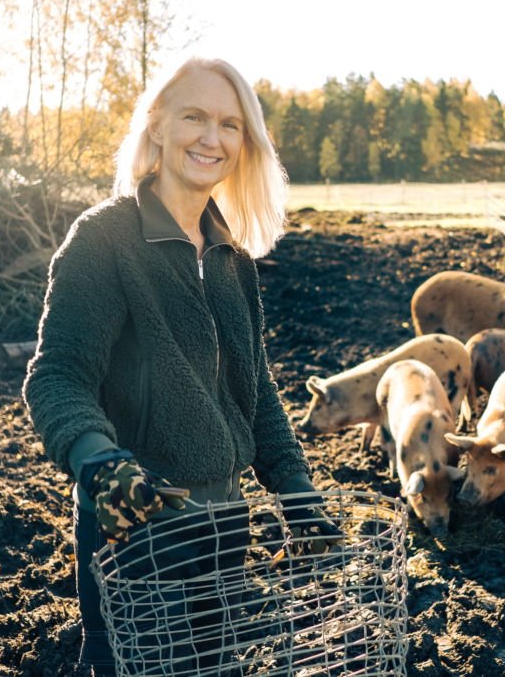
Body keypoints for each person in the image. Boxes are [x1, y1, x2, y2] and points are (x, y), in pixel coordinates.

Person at [23, 57, 340, 675]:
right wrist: (99, 463)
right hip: (135, 524)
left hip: (225, 527)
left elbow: (257, 393)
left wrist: (295, 489)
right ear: (159, 126)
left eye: (229, 124)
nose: (211, 137)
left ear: (244, 143)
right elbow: (57, 375)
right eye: (194, 116)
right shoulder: (105, 240)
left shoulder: (231, 258)